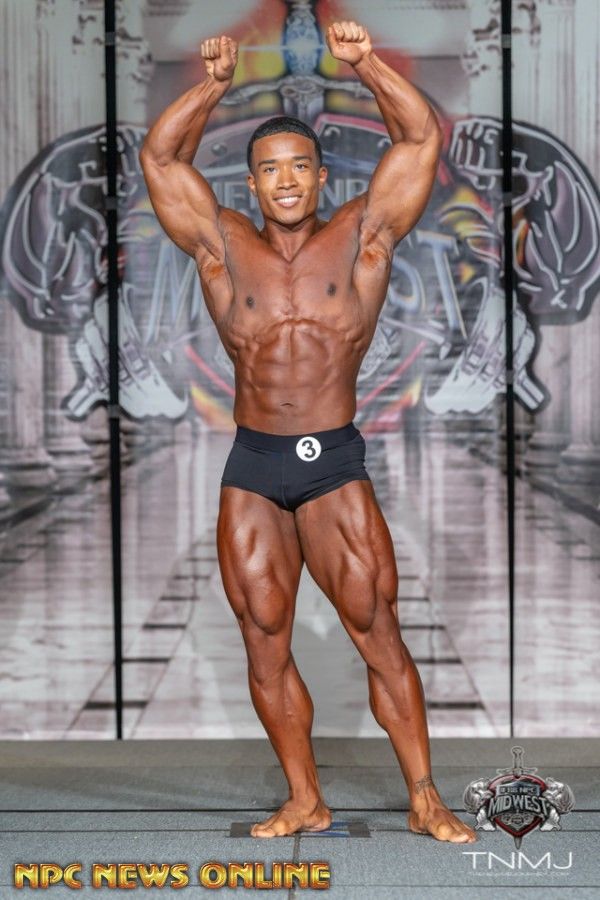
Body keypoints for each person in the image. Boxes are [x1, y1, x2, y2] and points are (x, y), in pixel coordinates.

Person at [140, 20, 476, 844]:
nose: (285, 181)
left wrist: (365, 65)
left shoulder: (363, 234)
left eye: (298, 166)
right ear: (251, 182)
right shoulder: (221, 245)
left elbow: (419, 139)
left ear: (321, 176)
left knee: (377, 630)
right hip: (253, 465)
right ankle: (304, 799)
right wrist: (212, 88)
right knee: (263, 638)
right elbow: (161, 160)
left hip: (332, 464)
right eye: (269, 169)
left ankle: (425, 796)